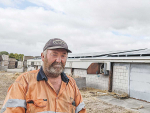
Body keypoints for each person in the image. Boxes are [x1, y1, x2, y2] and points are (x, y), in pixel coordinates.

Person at [1, 38, 86, 113]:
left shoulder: (71, 84)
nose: (59, 60)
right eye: (54, 54)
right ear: (43, 56)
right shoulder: (24, 82)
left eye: (63, 55)